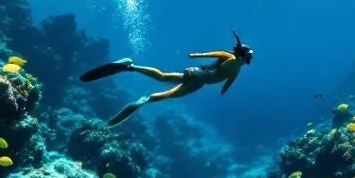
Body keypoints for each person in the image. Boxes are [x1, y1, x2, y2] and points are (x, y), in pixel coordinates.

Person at [80, 29, 254, 126]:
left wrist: (223, 90)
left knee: (165, 83)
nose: (251, 58)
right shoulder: (230, 58)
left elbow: (229, 83)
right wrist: (195, 55)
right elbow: (212, 54)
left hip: (198, 79)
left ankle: (131, 69)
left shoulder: (237, 68)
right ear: (243, 53)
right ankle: (142, 90)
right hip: (198, 76)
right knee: (167, 88)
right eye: (250, 55)